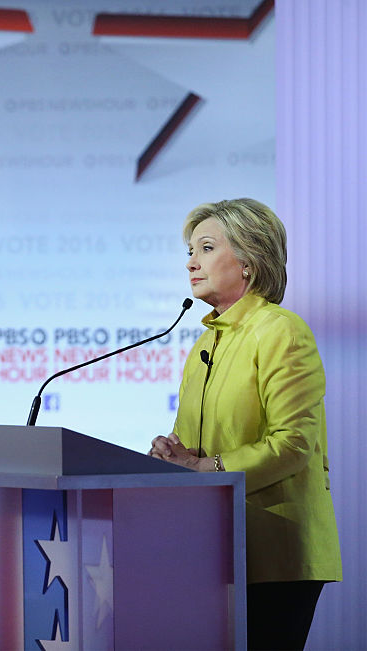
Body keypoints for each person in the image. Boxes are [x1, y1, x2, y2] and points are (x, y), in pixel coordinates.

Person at [149, 198, 341, 650]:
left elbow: (293, 444)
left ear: (249, 261)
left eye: (207, 248)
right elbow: (198, 450)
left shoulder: (281, 331)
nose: (192, 263)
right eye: (190, 251)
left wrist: (205, 469)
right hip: (212, 548)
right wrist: (175, 458)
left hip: (274, 551)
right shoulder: (204, 343)